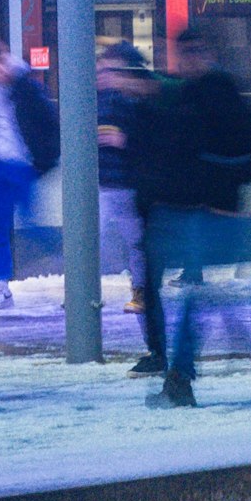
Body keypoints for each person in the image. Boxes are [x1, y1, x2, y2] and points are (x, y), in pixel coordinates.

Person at [142, 24, 251, 408]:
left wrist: (212, 187)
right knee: (234, 294)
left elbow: (239, 154)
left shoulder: (215, 95)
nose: (187, 62)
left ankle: (182, 379)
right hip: (208, 210)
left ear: (205, 55)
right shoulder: (199, 94)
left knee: (208, 298)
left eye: (192, 54)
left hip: (217, 211)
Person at [0, 37, 59, 310]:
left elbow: (48, 122)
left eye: (2, 61)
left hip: (22, 165)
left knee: (34, 224)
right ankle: (2, 286)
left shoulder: (26, 87)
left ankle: (72, 276)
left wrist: (44, 161)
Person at [96, 42, 164, 375]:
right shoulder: (115, 101)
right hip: (131, 192)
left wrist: (124, 142)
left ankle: (162, 353)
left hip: (141, 194)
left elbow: (156, 146)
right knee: (145, 272)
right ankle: (159, 351)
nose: (103, 77)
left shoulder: (143, 103)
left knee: (146, 269)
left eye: (109, 71)